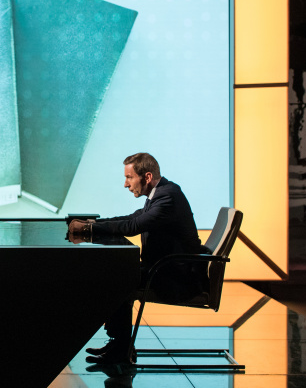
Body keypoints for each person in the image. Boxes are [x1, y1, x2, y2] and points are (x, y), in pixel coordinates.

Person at [67, 152, 205, 365]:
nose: (126, 184)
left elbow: (133, 226)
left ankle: (121, 348)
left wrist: (89, 228)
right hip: (165, 270)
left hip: (176, 278)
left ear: (147, 177)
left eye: (129, 177)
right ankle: (119, 344)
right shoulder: (161, 193)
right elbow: (133, 217)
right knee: (119, 275)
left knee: (120, 279)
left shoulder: (168, 196)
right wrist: (93, 224)